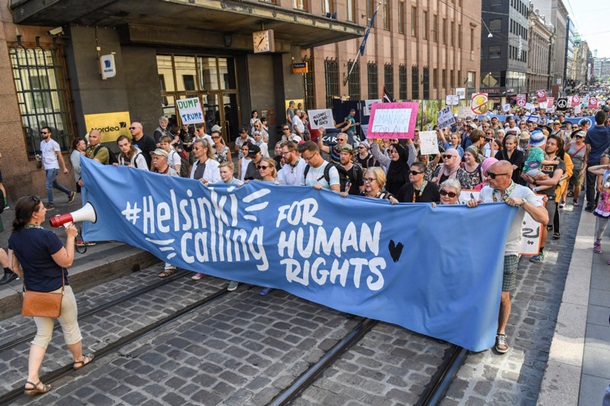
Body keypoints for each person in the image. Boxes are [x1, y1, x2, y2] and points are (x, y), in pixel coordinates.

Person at [8, 195, 94, 395]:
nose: (45, 210)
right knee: (70, 326)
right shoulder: (47, 237)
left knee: (42, 334)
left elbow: (13, 266)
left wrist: (28, 276)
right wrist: (71, 236)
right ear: (34, 215)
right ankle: (79, 359)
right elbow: (67, 261)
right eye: (42, 208)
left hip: (34, 293)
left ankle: (32, 380)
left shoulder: (14, 237)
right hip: (58, 291)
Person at [467, 161, 548, 354]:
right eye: (488, 174)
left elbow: (544, 218)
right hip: (486, 250)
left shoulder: (523, 192)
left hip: (509, 250)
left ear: (507, 176)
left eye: (492, 175)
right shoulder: (486, 191)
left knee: (504, 296)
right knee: (482, 292)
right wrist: (473, 206)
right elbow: (480, 218)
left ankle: (501, 332)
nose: (488, 178)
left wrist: (523, 203)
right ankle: (480, 327)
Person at [522, 135, 566, 263]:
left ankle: (540, 251)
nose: (549, 146)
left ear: (557, 147)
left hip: (548, 197)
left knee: (543, 224)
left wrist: (535, 182)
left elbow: (554, 181)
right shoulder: (537, 155)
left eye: (553, 144)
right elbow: (524, 173)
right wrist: (530, 180)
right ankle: (526, 247)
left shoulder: (559, 162)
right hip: (531, 195)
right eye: (548, 143)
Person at [40, 126, 75, 209]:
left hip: (53, 166)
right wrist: (40, 161)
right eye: (41, 133)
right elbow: (43, 154)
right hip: (47, 167)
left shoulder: (54, 143)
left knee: (48, 184)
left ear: (49, 133)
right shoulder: (42, 143)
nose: (43, 134)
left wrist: (64, 168)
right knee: (54, 183)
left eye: (44, 133)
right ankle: (70, 193)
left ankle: (51, 204)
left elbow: (60, 156)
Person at [585, 111, 610, 212]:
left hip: (593, 159)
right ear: (605, 120)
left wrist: (586, 158)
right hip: (605, 160)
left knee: (590, 183)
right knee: (603, 182)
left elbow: (587, 147)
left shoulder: (590, 131)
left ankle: (590, 204)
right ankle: (598, 202)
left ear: (595, 119)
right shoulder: (608, 131)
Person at [588, 163, 610, 256]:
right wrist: (604, 166)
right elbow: (590, 169)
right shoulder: (606, 172)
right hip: (606, 204)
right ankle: (598, 242)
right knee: (601, 227)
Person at [565, 130, 587, 207]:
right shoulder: (571, 144)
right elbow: (563, 152)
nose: (578, 138)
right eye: (577, 136)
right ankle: (563, 200)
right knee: (566, 183)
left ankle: (575, 199)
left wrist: (583, 170)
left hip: (578, 168)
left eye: (580, 137)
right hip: (568, 167)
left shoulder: (586, 147)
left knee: (577, 185)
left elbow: (585, 160)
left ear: (584, 138)